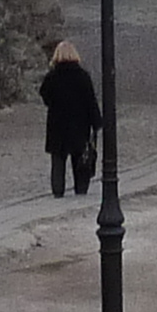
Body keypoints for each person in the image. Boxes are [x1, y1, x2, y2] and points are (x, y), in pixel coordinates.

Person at [40, 38, 102, 197]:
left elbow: (44, 95)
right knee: (79, 158)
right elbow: (90, 100)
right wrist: (96, 122)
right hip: (79, 124)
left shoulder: (52, 77)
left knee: (58, 160)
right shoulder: (82, 76)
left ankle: (58, 190)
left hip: (57, 124)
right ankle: (81, 188)